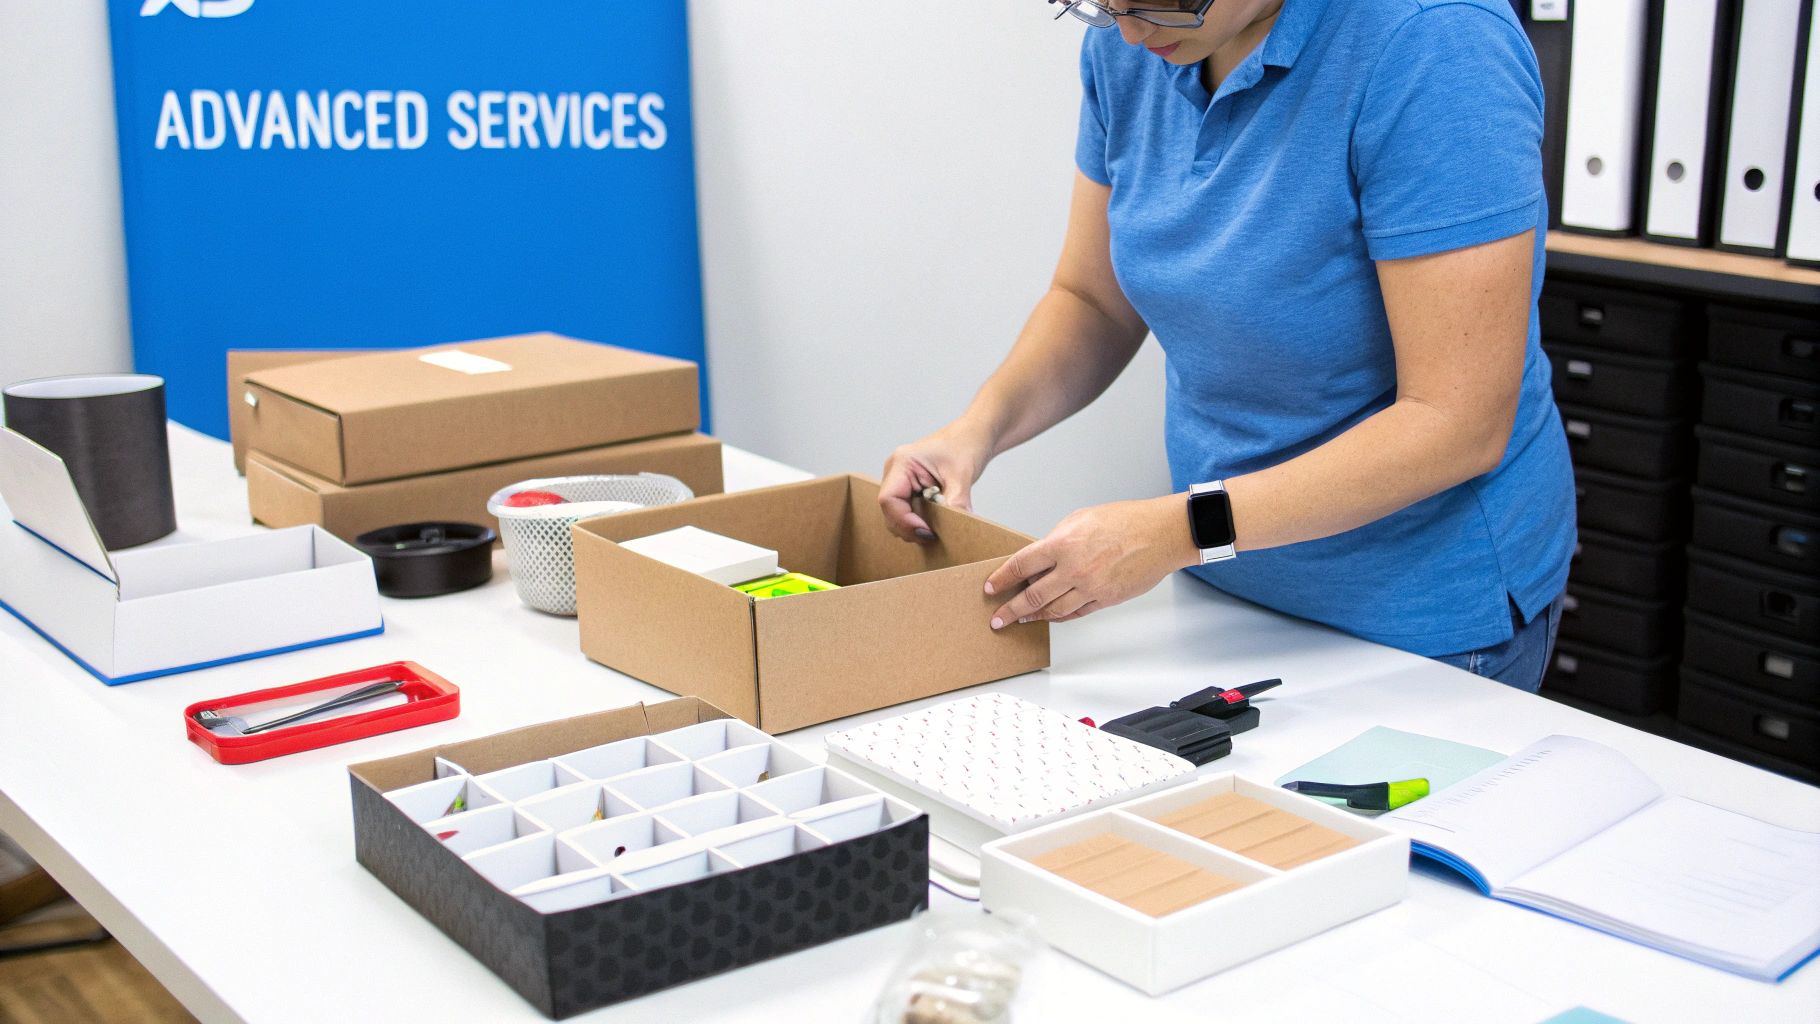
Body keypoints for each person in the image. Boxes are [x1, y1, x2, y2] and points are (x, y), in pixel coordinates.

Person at [877, 0, 1575, 691]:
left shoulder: (1435, 45)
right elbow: (1093, 303)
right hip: (1229, 579)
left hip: (1421, 614)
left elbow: (1456, 425)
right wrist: (975, 432)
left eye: (1158, 2)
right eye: (1099, 3)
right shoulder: (1134, 43)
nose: (1127, 30)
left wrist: (1176, 532)